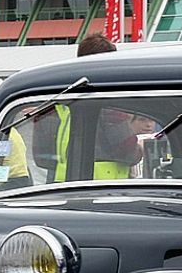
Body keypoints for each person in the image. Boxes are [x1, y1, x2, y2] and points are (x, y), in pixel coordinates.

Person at [31, 34, 146, 183]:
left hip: (59, 187)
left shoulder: (52, 105)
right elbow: (128, 152)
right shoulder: (110, 105)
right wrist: (141, 149)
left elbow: (41, 158)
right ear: (109, 63)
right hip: (105, 189)